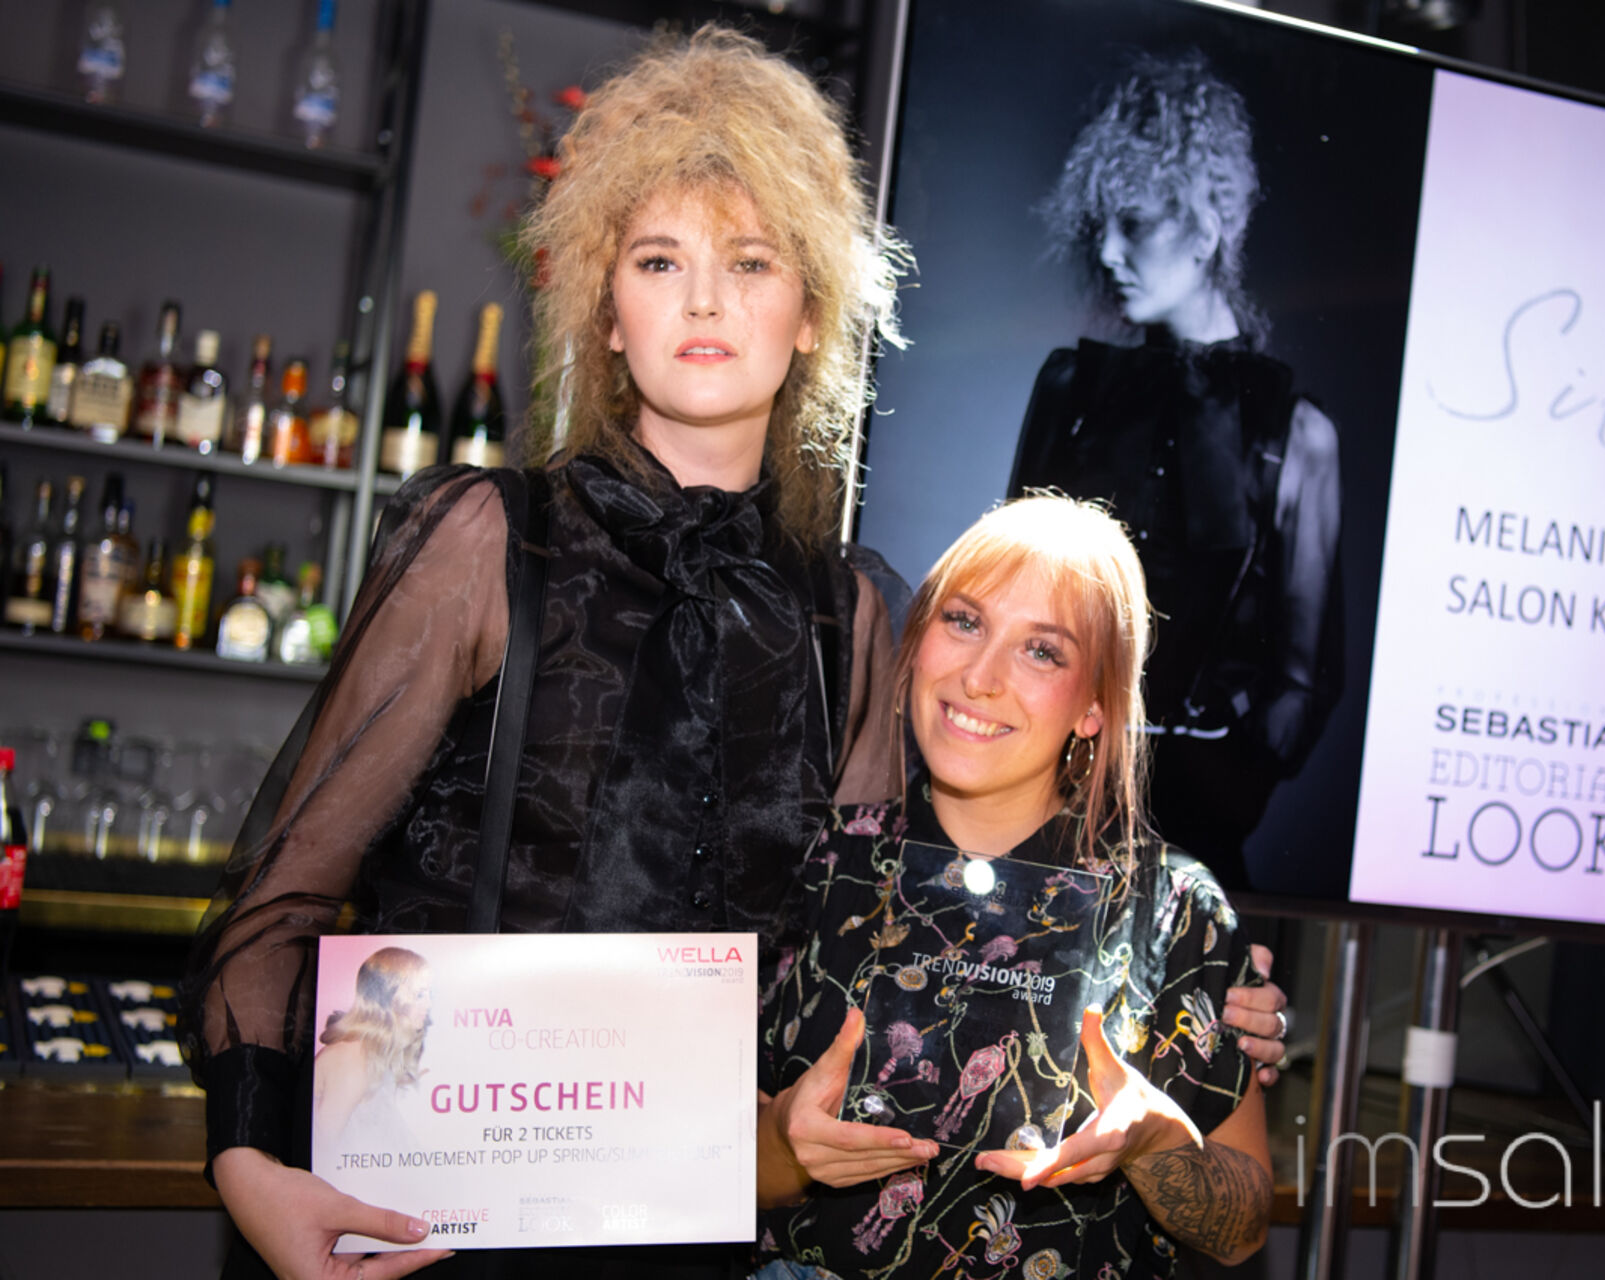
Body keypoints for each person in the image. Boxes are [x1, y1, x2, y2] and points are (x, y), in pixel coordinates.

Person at [179, 29, 1289, 1280]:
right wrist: (249, 1165)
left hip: (713, 1232)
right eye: (660, 260)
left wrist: (1191, 986)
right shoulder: (487, 541)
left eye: (750, 262)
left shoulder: (852, 610)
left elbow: (919, 907)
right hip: (436, 1234)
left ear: (811, 312)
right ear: (606, 310)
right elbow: (282, 892)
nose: (704, 300)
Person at [756, 496, 1273, 1279]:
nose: (980, 677)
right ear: (917, 639)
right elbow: (696, 1175)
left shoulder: (1171, 909)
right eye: (964, 621)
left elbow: (1241, 1231)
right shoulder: (814, 861)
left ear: (1094, 706)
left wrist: (1154, 1143)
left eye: (1042, 651)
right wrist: (785, 1147)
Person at [1006, 49, 1344, 877]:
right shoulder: (1071, 387)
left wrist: (1207, 793)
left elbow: (1304, 683)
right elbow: (1009, 607)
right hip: (1044, 830)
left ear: (1207, 225)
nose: (1109, 252)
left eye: (1137, 222)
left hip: (1195, 855)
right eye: (1102, 224)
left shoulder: (1296, 433)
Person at [312, 948, 432, 1151]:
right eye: (419, 995)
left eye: (429, 994)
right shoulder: (351, 1059)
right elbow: (326, 1148)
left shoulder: (368, 1054)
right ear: (390, 997)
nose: (428, 1004)